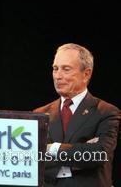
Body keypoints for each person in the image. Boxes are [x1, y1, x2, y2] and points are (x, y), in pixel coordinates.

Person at [33, 43, 120, 187]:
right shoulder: (40, 114)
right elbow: (34, 157)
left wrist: (51, 148)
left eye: (66, 69)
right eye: (55, 69)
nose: (58, 76)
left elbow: (98, 154)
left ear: (86, 74)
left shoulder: (107, 112)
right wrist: (81, 149)